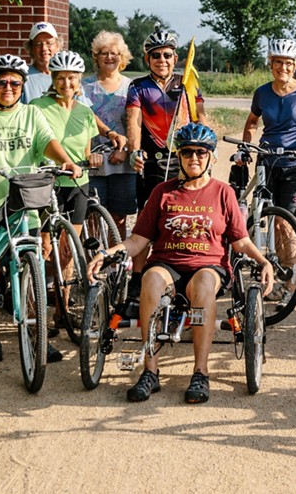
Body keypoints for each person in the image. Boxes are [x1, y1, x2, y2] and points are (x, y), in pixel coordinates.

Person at [90, 123, 274, 404]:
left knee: (202, 286)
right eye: (187, 152)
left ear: (211, 157)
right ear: (179, 156)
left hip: (209, 265)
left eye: (201, 152)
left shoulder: (223, 193)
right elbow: (138, 240)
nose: (194, 158)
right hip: (167, 263)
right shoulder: (163, 192)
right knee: (150, 280)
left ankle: (200, 372)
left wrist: (264, 262)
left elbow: (240, 242)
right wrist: (107, 253)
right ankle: (150, 372)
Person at [0, 54, 83, 364]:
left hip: (24, 209)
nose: (8, 88)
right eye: (1, 82)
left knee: (33, 273)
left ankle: (37, 337)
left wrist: (64, 159)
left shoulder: (31, 115)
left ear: (22, 85)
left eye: (14, 82)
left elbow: (47, 142)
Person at [30, 50, 100, 359]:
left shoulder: (85, 111)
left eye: (71, 78)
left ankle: (63, 309)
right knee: (44, 251)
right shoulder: (37, 108)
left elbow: (87, 149)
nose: (66, 83)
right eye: (60, 78)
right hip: (47, 183)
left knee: (69, 249)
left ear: (79, 80)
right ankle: (37, 319)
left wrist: (94, 156)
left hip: (77, 185)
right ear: (53, 80)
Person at [234, 39, 296, 240]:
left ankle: (289, 269)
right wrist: (245, 146)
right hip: (267, 160)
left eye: (288, 63)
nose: (283, 67)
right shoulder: (262, 93)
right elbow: (251, 122)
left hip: (295, 162)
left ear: (295, 65)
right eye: (278, 62)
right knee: (263, 215)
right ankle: (268, 266)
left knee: (285, 224)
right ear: (270, 64)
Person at [126, 29, 206, 208]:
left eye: (167, 55)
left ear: (175, 59)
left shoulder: (187, 83)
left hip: (185, 156)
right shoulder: (138, 86)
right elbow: (134, 121)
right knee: (151, 212)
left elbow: (199, 115)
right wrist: (134, 150)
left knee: (188, 208)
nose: (162, 60)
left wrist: (209, 144)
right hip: (153, 159)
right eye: (155, 55)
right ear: (147, 59)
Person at [82, 31, 137, 236]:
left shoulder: (131, 87)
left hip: (122, 160)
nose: (109, 57)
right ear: (96, 56)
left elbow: (135, 123)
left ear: (122, 57)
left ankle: (116, 265)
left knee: (119, 217)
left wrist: (125, 150)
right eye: (104, 53)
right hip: (93, 159)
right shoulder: (84, 86)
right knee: (92, 216)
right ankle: (94, 262)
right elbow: (83, 118)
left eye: (114, 53)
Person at [22, 21, 59, 102]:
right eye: (38, 44)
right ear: (31, 49)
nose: (44, 48)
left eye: (49, 43)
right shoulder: (23, 77)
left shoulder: (66, 77)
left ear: (57, 46)